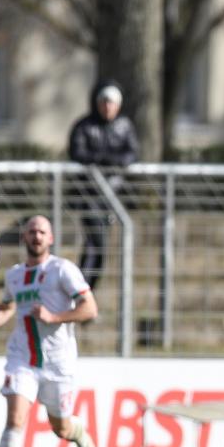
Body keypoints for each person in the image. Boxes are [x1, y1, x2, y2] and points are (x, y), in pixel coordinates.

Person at [0, 216, 100, 447]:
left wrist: (54, 317)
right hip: (22, 358)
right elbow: (8, 305)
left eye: (42, 231)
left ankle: (80, 435)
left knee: (60, 428)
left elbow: (90, 308)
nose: (36, 236)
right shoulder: (14, 275)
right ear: (24, 237)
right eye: (32, 231)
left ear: (50, 239)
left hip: (58, 363)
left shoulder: (63, 270)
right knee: (15, 418)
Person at [68, 80, 139, 290]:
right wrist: (105, 159)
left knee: (99, 249)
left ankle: (86, 293)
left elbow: (132, 153)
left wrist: (110, 160)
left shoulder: (124, 126)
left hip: (113, 197)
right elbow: (77, 153)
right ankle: (81, 292)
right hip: (90, 197)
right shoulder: (85, 126)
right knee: (94, 246)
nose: (107, 107)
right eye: (104, 102)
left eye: (112, 103)